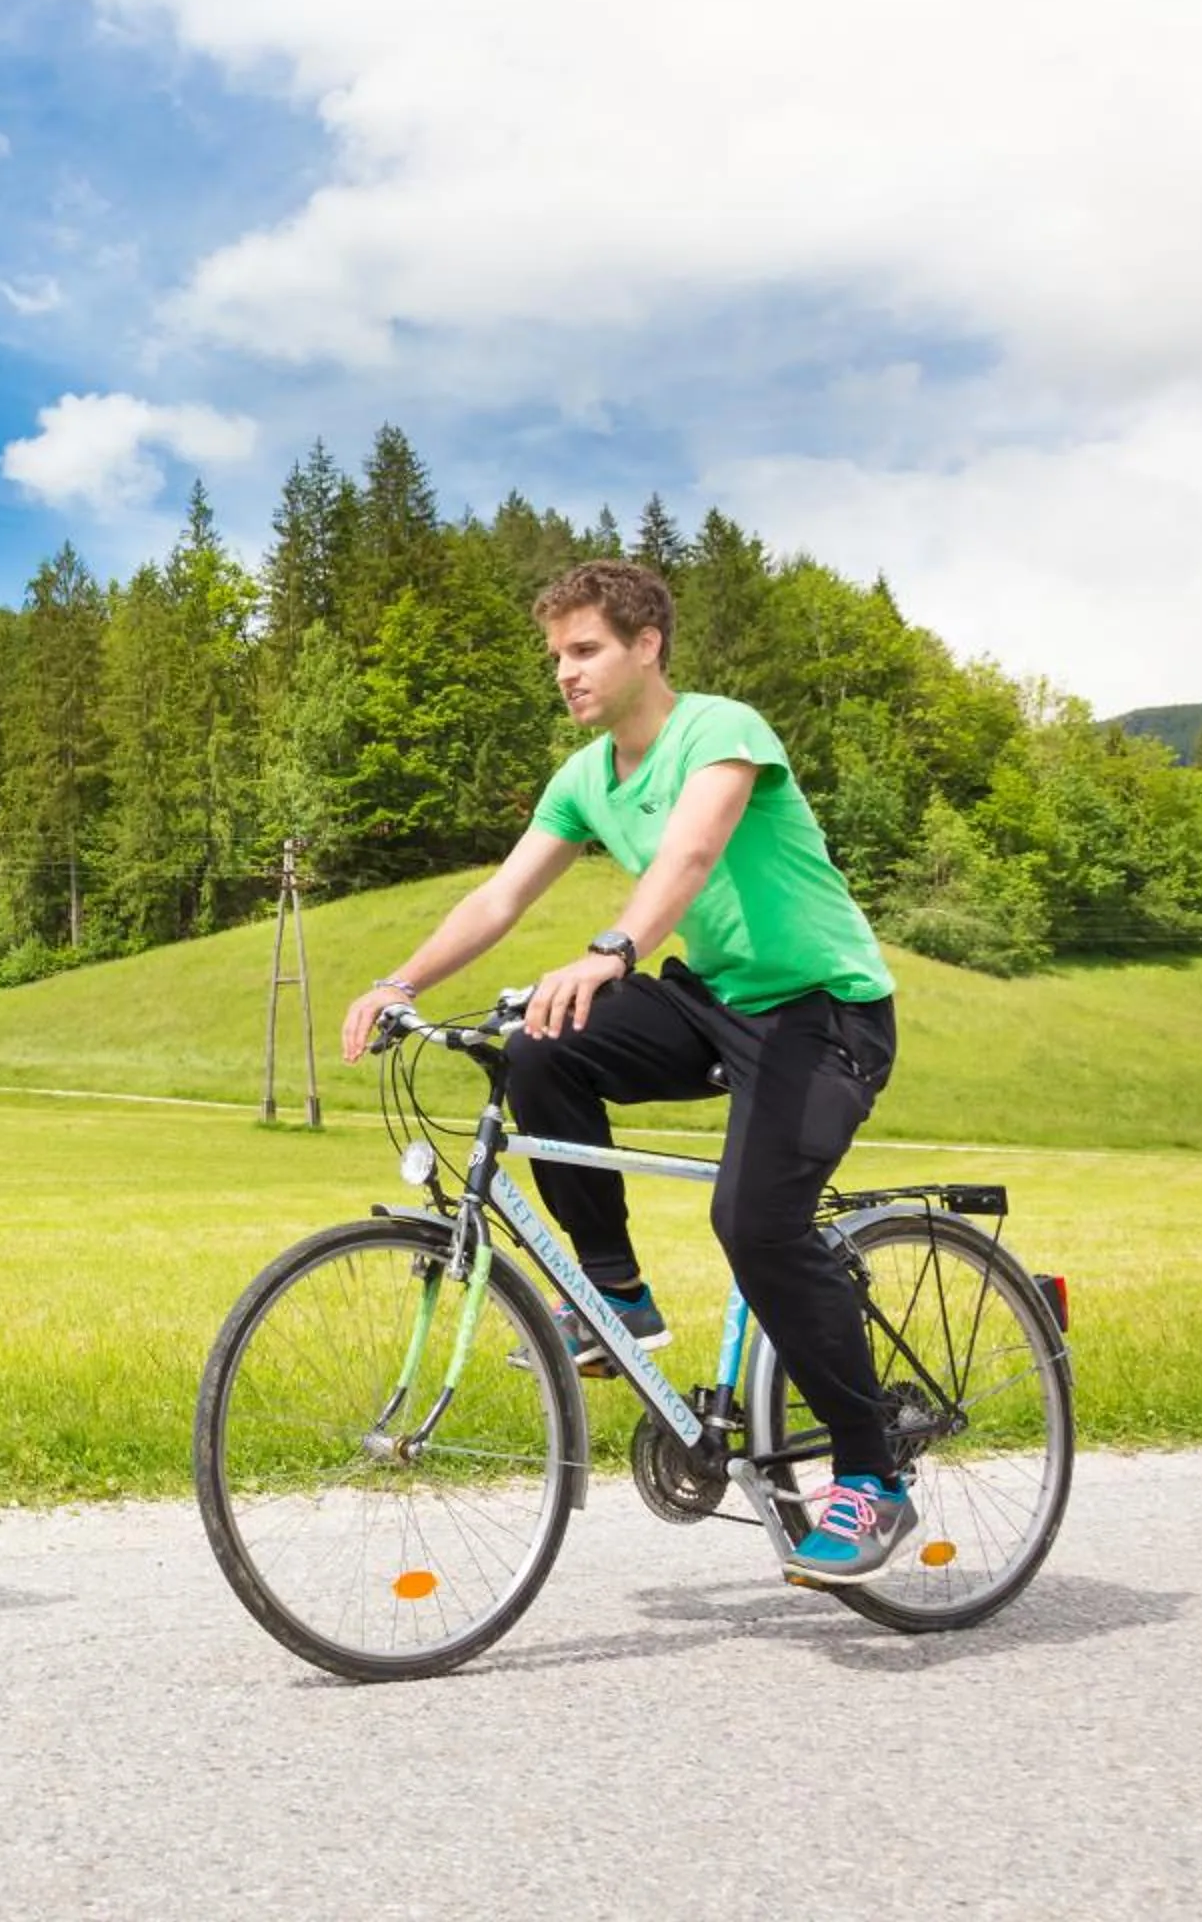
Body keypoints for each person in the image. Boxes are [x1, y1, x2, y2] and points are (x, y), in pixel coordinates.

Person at [338, 558, 911, 1585]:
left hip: (826, 1011)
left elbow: (687, 858)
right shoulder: (586, 777)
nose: (565, 671)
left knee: (756, 1223)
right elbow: (500, 897)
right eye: (556, 654)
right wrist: (398, 979)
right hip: (720, 997)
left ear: (648, 645)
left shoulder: (722, 731)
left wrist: (610, 951)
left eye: (586, 648)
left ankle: (871, 1474)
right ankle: (617, 1294)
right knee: (539, 1046)